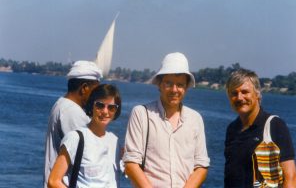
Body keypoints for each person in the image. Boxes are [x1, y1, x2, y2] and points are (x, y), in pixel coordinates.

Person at [123, 52, 210, 188]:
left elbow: (201, 166)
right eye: (169, 83)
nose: (174, 90)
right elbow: (131, 164)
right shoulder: (141, 114)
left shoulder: (195, 119)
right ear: (159, 84)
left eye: (180, 85)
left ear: (186, 87)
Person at [224, 68, 296, 187]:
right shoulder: (232, 129)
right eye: (234, 93)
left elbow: (291, 178)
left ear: (257, 94)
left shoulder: (274, 125)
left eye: (245, 92)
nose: (239, 97)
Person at [48, 84, 122, 188]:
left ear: (116, 111)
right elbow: (53, 181)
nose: (105, 111)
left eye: (111, 107)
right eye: (100, 105)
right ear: (92, 105)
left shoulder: (115, 142)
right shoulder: (75, 138)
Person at [44, 60, 102, 187]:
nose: (97, 97)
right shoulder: (73, 113)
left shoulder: (61, 105)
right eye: (96, 91)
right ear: (84, 88)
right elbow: (90, 157)